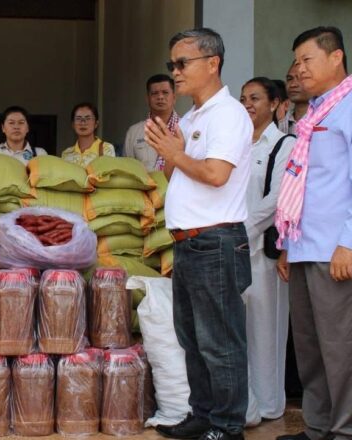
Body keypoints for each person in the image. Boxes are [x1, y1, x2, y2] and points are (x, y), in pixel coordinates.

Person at [275, 27, 352, 440]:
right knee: (311, 348)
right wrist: (287, 245)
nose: (298, 69)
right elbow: (305, 183)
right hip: (306, 246)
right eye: (296, 61)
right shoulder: (315, 114)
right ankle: (318, 427)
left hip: (340, 250)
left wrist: (348, 243)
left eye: (307, 60)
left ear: (336, 57)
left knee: (347, 350)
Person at [146, 28, 252, 440]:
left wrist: (176, 153)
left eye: (182, 63)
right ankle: (204, 416)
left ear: (213, 63)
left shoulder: (228, 114)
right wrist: (172, 155)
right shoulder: (190, 117)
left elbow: (215, 174)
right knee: (192, 339)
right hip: (189, 242)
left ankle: (228, 427)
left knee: (220, 343)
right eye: (172, 64)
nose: (174, 72)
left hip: (216, 241)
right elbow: (178, 174)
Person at [239, 77, 296, 421]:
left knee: (266, 330)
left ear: (275, 104)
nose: (247, 104)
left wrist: (240, 228)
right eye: (244, 97)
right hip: (233, 250)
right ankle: (247, 406)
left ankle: (270, 404)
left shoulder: (284, 144)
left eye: (255, 98)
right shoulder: (239, 145)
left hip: (263, 250)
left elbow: (278, 200)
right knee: (240, 330)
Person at [125, 74, 179, 171]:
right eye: (154, 93)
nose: (160, 97)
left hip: (175, 186)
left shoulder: (186, 128)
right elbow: (128, 169)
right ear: (147, 99)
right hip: (144, 185)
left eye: (165, 92)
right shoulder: (134, 132)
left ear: (174, 98)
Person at [61, 102, 115, 167]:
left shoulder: (106, 149)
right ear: (73, 124)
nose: (83, 123)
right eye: (78, 118)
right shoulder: (66, 154)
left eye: (88, 118)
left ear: (96, 124)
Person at [278, 62, 311, 135]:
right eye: (290, 79)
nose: (293, 85)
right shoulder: (278, 123)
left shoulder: (324, 120)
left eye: (301, 78)